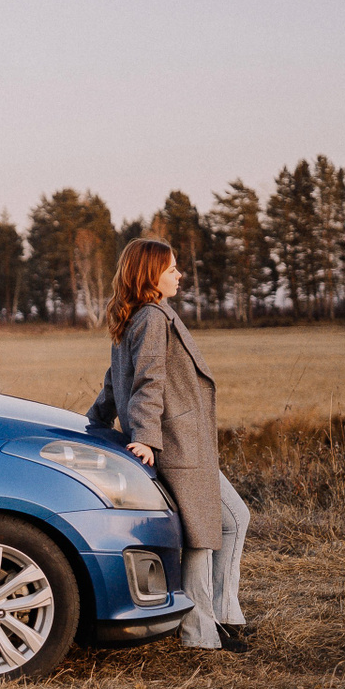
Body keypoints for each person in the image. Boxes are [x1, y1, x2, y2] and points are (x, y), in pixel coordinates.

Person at [87, 238, 252, 653]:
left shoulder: (133, 316)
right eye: (172, 268)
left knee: (223, 522)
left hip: (182, 444)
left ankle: (222, 618)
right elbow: (147, 382)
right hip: (177, 445)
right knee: (205, 532)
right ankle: (203, 633)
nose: (179, 275)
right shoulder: (152, 317)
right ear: (151, 274)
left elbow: (114, 383)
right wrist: (144, 438)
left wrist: (95, 422)